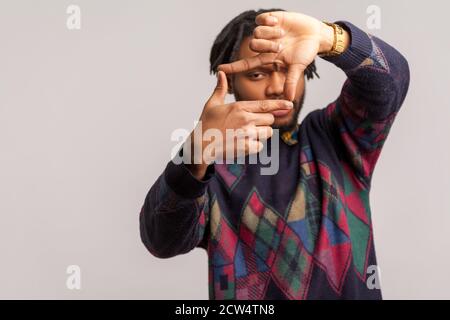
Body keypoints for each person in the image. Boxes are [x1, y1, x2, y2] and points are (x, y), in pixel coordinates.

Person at [139, 8, 410, 299]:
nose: (277, 87)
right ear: (230, 82)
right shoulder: (210, 169)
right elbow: (160, 239)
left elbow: (391, 83)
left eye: (288, 67)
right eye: (257, 74)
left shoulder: (337, 137)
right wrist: (197, 148)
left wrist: (330, 39)